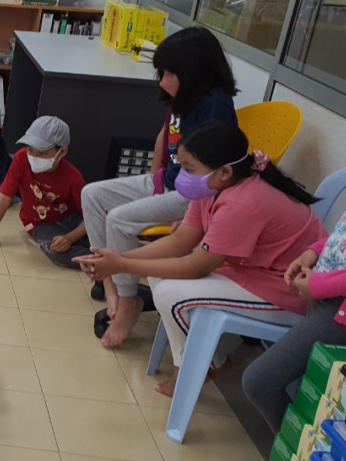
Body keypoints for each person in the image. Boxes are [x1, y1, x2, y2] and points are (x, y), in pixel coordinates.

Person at [75, 123, 326, 397]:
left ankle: (200, 365)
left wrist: (121, 264)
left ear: (224, 171)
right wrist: (117, 257)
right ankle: (205, 362)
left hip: (289, 289)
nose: (183, 176)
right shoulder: (212, 186)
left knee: (171, 294)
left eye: (189, 169)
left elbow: (196, 267)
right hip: (254, 271)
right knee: (160, 275)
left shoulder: (241, 202)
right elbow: (180, 241)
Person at [81, 26, 239, 348]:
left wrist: (186, 212)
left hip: (192, 194)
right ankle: (108, 281)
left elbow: (215, 173)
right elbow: (163, 137)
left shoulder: (215, 105)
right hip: (166, 181)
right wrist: (154, 180)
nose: (163, 82)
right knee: (91, 194)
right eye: (162, 73)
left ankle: (129, 300)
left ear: (194, 72)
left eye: (170, 73)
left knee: (119, 220)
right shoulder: (182, 96)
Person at [242, 206, 346, 431]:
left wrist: (318, 286)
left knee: (260, 381)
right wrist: (314, 252)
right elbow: (343, 237)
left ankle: (294, 449)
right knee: (309, 391)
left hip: (339, 312)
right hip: (325, 300)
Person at [0, 116, 91, 269]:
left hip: (71, 218)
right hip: (39, 223)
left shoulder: (73, 177)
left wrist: (70, 237)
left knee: (100, 235)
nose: (34, 157)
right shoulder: (21, 159)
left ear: (62, 152)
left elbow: (91, 217)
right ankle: (95, 261)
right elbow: (4, 198)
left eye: (42, 153)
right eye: (31, 150)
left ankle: (104, 258)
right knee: (56, 250)